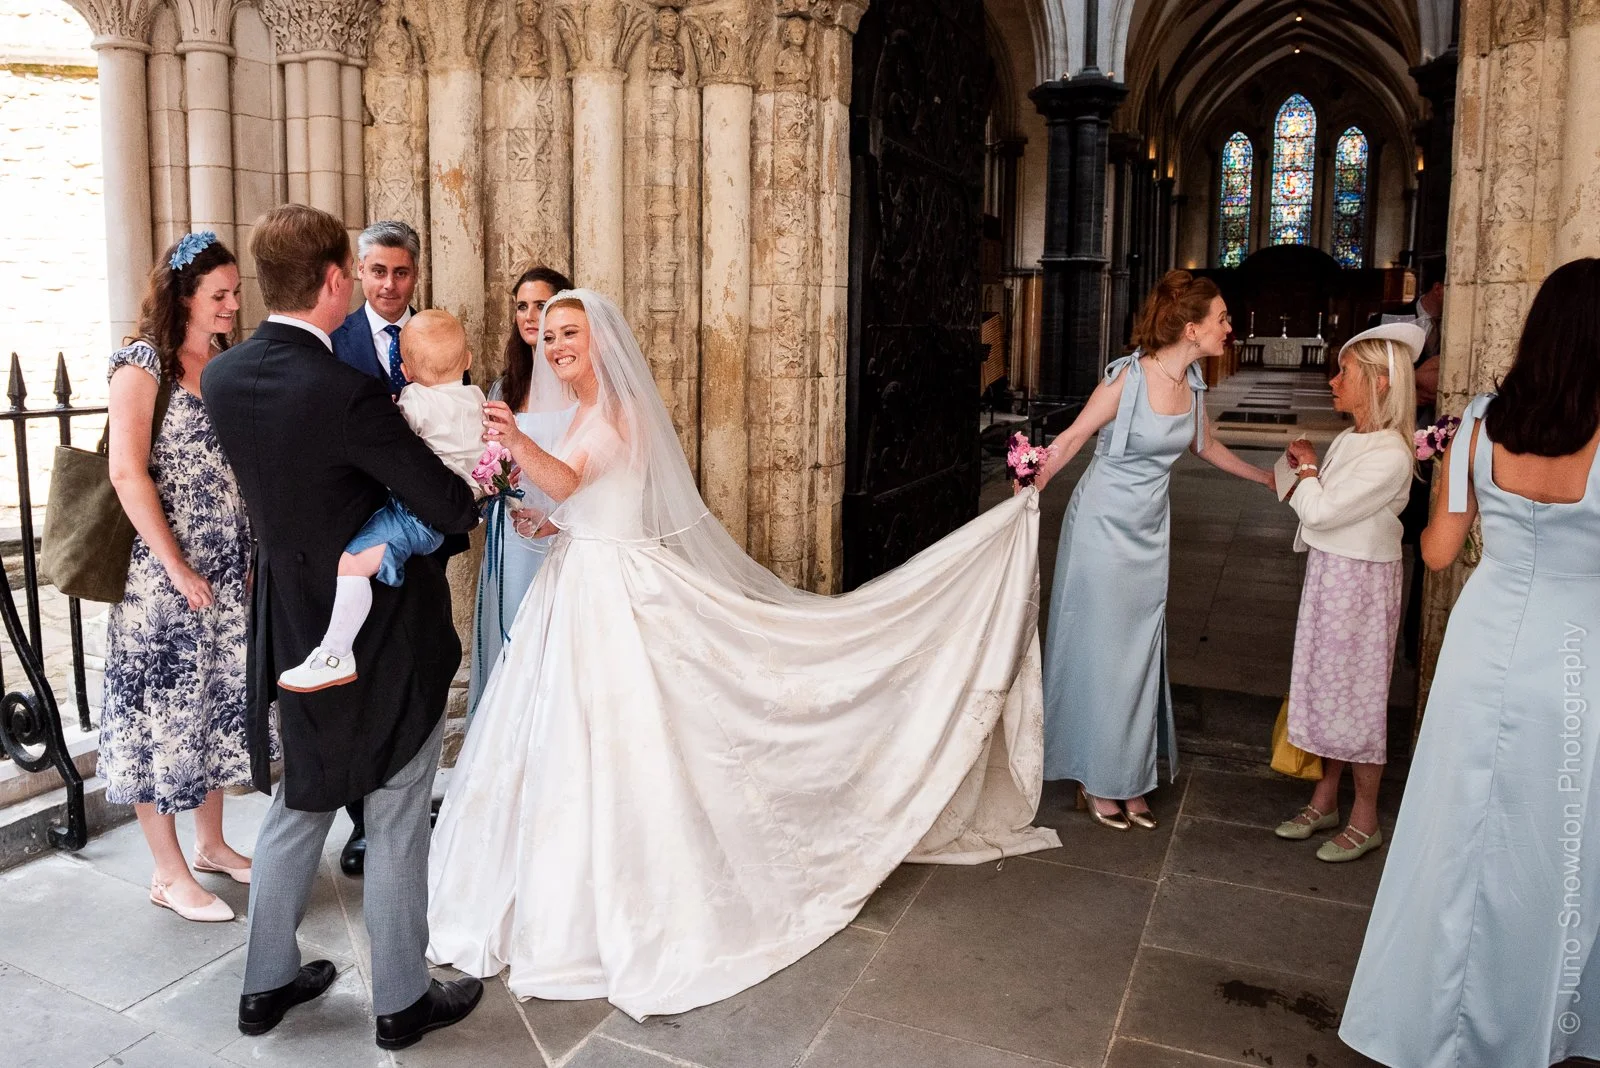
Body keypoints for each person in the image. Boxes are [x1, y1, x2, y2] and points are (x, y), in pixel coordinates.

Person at [427, 290, 1059, 1021]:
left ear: (602, 342)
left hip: (615, 598)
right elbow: (578, 501)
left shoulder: (619, 413)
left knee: (632, 743)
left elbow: (569, 477)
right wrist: (546, 518)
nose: (557, 343)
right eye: (551, 334)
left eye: (571, 332)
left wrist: (512, 441)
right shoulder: (578, 413)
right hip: (578, 585)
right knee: (566, 744)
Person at [201, 204, 483, 1049]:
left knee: (303, 795)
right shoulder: (347, 392)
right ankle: (400, 1002)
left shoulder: (222, 377)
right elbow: (448, 505)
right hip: (384, 636)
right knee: (397, 805)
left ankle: (265, 985)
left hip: (293, 627)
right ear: (334, 280)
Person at [1339, 258, 1600, 1067]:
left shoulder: (1482, 420)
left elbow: (1440, 549)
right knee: (1556, 841)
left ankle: (1423, 1017)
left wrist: (1480, 505)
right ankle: (1537, 1022)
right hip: (1577, 653)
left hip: (1483, 644)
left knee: (1453, 834)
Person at [1034, 271, 1274, 830]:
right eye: (1222, 319)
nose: (1229, 328)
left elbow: (1206, 444)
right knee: (1102, 650)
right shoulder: (1128, 379)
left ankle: (1130, 775)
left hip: (1149, 532)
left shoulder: (1193, 383)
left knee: (1140, 651)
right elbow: (1071, 437)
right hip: (1102, 528)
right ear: (1191, 327)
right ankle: (1095, 776)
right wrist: (1030, 483)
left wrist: (1262, 478)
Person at [101, 231, 261, 924]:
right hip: (164, 582)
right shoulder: (143, 365)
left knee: (212, 711)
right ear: (183, 296)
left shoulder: (222, 361)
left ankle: (211, 844)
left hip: (227, 572)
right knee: (159, 721)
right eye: (218, 294)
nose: (231, 304)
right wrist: (176, 565)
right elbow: (126, 472)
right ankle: (167, 874)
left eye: (235, 292)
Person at [1273, 323, 1421, 862]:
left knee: (1358, 697)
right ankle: (1325, 798)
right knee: (1328, 689)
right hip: (1331, 573)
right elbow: (1314, 503)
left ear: (1381, 382)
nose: (1334, 382)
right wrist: (1302, 473)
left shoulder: (1391, 454)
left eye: (1346, 373)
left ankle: (1366, 817)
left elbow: (1322, 509)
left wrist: (1307, 468)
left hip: (1360, 583)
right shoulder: (1352, 438)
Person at [279, 310, 487, 692]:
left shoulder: (415, 400)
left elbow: (392, 443)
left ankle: (335, 653)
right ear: (469, 360)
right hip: (451, 509)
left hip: (414, 515)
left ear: (405, 371)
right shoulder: (476, 397)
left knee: (352, 562)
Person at [326, 220, 435, 876]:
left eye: (400, 272)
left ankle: (409, 804)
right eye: (377, 272)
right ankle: (364, 821)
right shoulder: (332, 343)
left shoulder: (437, 335)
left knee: (416, 674)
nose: (390, 284)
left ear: (414, 274)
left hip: (421, 536)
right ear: (358, 273)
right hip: (355, 534)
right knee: (360, 679)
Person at [468, 265, 577, 714]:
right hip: (513, 532)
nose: (531, 316)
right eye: (522, 307)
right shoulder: (504, 386)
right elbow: (489, 456)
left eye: (542, 305)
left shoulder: (580, 382)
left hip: (567, 528)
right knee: (513, 627)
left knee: (558, 639)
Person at [1396, 261, 1445, 660]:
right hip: (1400, 447)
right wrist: (1411, 381)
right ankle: (1414, 641)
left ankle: (1417, 643)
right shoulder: (1389, 318)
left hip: (1435, 452)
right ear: (1440, 286)